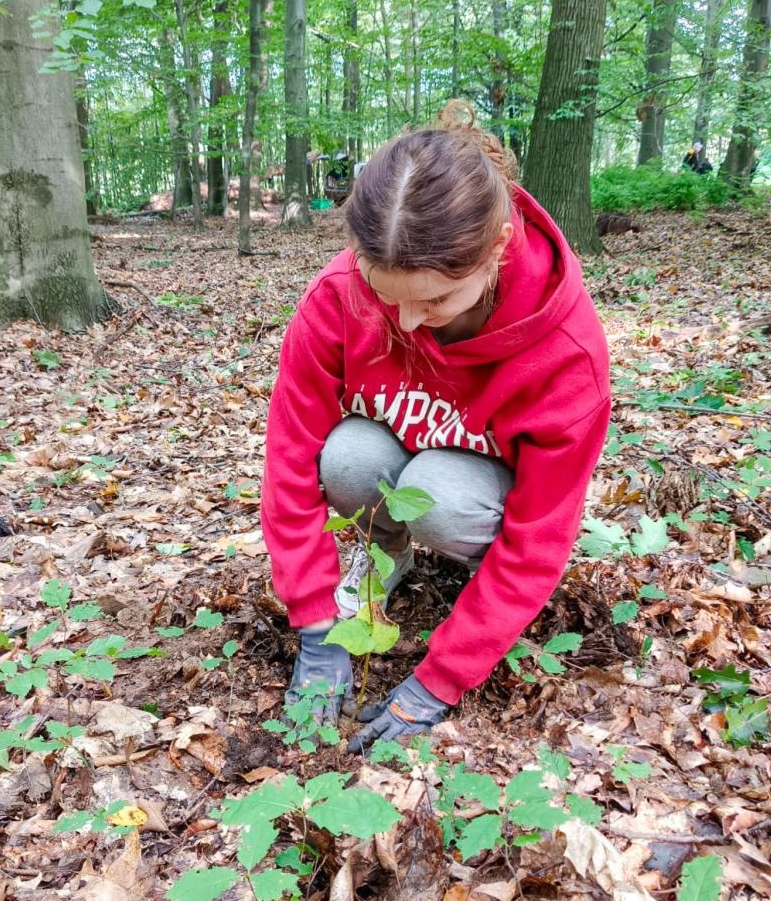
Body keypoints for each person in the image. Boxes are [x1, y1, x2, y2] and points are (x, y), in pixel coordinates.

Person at [261, 102, 611, 752]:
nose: (408, 323)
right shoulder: (335, 297)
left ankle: (468, 578)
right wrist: (316, 624)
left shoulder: (567, 351)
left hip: (476, 493)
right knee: (346, 457)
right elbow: (290, 461)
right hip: (405, 454)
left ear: (497, 250)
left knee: (439, 498)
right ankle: (384, 557)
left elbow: (541, 535)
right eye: (385, 295)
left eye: (437, 301)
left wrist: (442, 678)